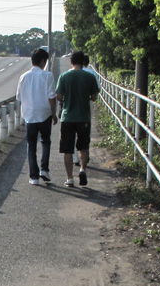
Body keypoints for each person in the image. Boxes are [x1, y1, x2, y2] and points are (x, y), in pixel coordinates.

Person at [54, 49, 100, 187]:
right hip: (84, 116)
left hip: (67, 117)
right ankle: (82, 169)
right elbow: (94, 97)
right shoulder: (89, 77)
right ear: (84, 62)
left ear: (71, 61)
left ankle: (70, 178)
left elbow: (59, 96)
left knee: (67, 149)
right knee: (83, 146)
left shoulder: (64, 76)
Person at [16, 47, 57, 185]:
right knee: (45, 141)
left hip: (29, 115)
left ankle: (34, 177)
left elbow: (18, 97)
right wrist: (54, 113)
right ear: (43, 61)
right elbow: (51, 96)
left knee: (31, 145)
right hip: (44, 113)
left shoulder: (23, 76)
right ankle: (44, 169)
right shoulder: (48, 76)